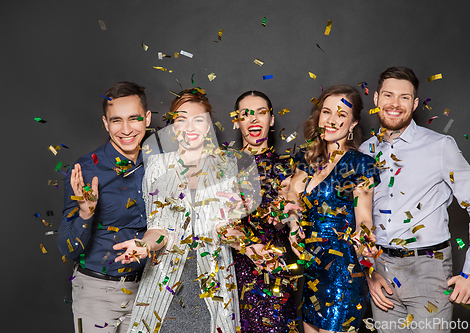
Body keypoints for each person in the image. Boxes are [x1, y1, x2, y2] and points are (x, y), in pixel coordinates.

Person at [359, 66, 470, 332]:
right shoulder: (366, 151)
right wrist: (368, 272)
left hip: (429, 270)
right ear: (376, 99)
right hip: (381, 272)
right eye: (388, 95)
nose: (395, 104)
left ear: (415, 103)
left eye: (404, 97)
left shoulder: (439, 146)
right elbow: (360, 219)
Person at [113, 88, 255, 333]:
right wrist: (144, 245)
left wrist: (250, 245)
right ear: (173, 126)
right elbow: (157, 228)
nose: (190, 127)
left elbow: (227, 228)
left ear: (208, 124)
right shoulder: (158, 166)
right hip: (165, 285)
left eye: (198, 119)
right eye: (181, 119)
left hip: (214, 281)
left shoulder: (226, 166)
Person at [57, 81, 151, 332]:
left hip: (148, 292)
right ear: (106, 123)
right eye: (117, 120)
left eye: (134, 118)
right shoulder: (86, 170)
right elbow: (66, 248)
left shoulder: (160, 163)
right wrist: (85, 212)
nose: (127, 129)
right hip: (97, 294)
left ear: (147, 119)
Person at [287, 84, 379, 333]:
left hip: (343, 274)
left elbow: (364, 218)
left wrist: (364, 239)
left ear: (352, 123)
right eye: (326, 112)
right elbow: (291, 200)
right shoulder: (307, 160)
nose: (331, 120)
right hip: (313, 272)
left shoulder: (361, 164)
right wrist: (294, 225)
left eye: (341, 114)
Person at [228, 91, 298, 332]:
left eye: (261, 113)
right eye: (246, 115)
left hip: (273, 272)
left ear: (272, 119)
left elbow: (297, 221)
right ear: (236, 122)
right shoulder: (222, 169)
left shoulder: (288, 169)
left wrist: (287, 217)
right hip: (231, 274)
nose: (254, 120)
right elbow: (215, 222)